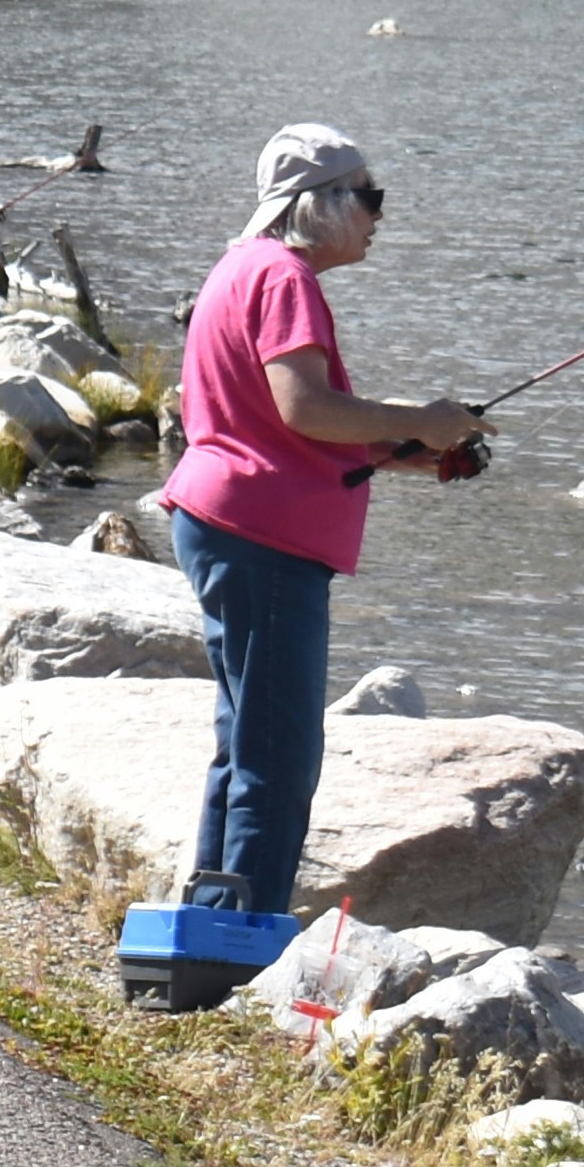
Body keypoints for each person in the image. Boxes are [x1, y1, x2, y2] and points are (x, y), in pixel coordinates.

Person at [164, 123, 489, 926]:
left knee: (245, 742)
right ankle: (247, 942)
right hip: (264, 539)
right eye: (369, 197)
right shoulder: (284, 277)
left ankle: (212, 922)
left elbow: (271, 422)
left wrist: (395, 448)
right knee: (278, 756)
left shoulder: (241, 267)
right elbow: (303, 407)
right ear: (321, 206)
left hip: (227, 518)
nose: (379, 215)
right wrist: (426, 416)